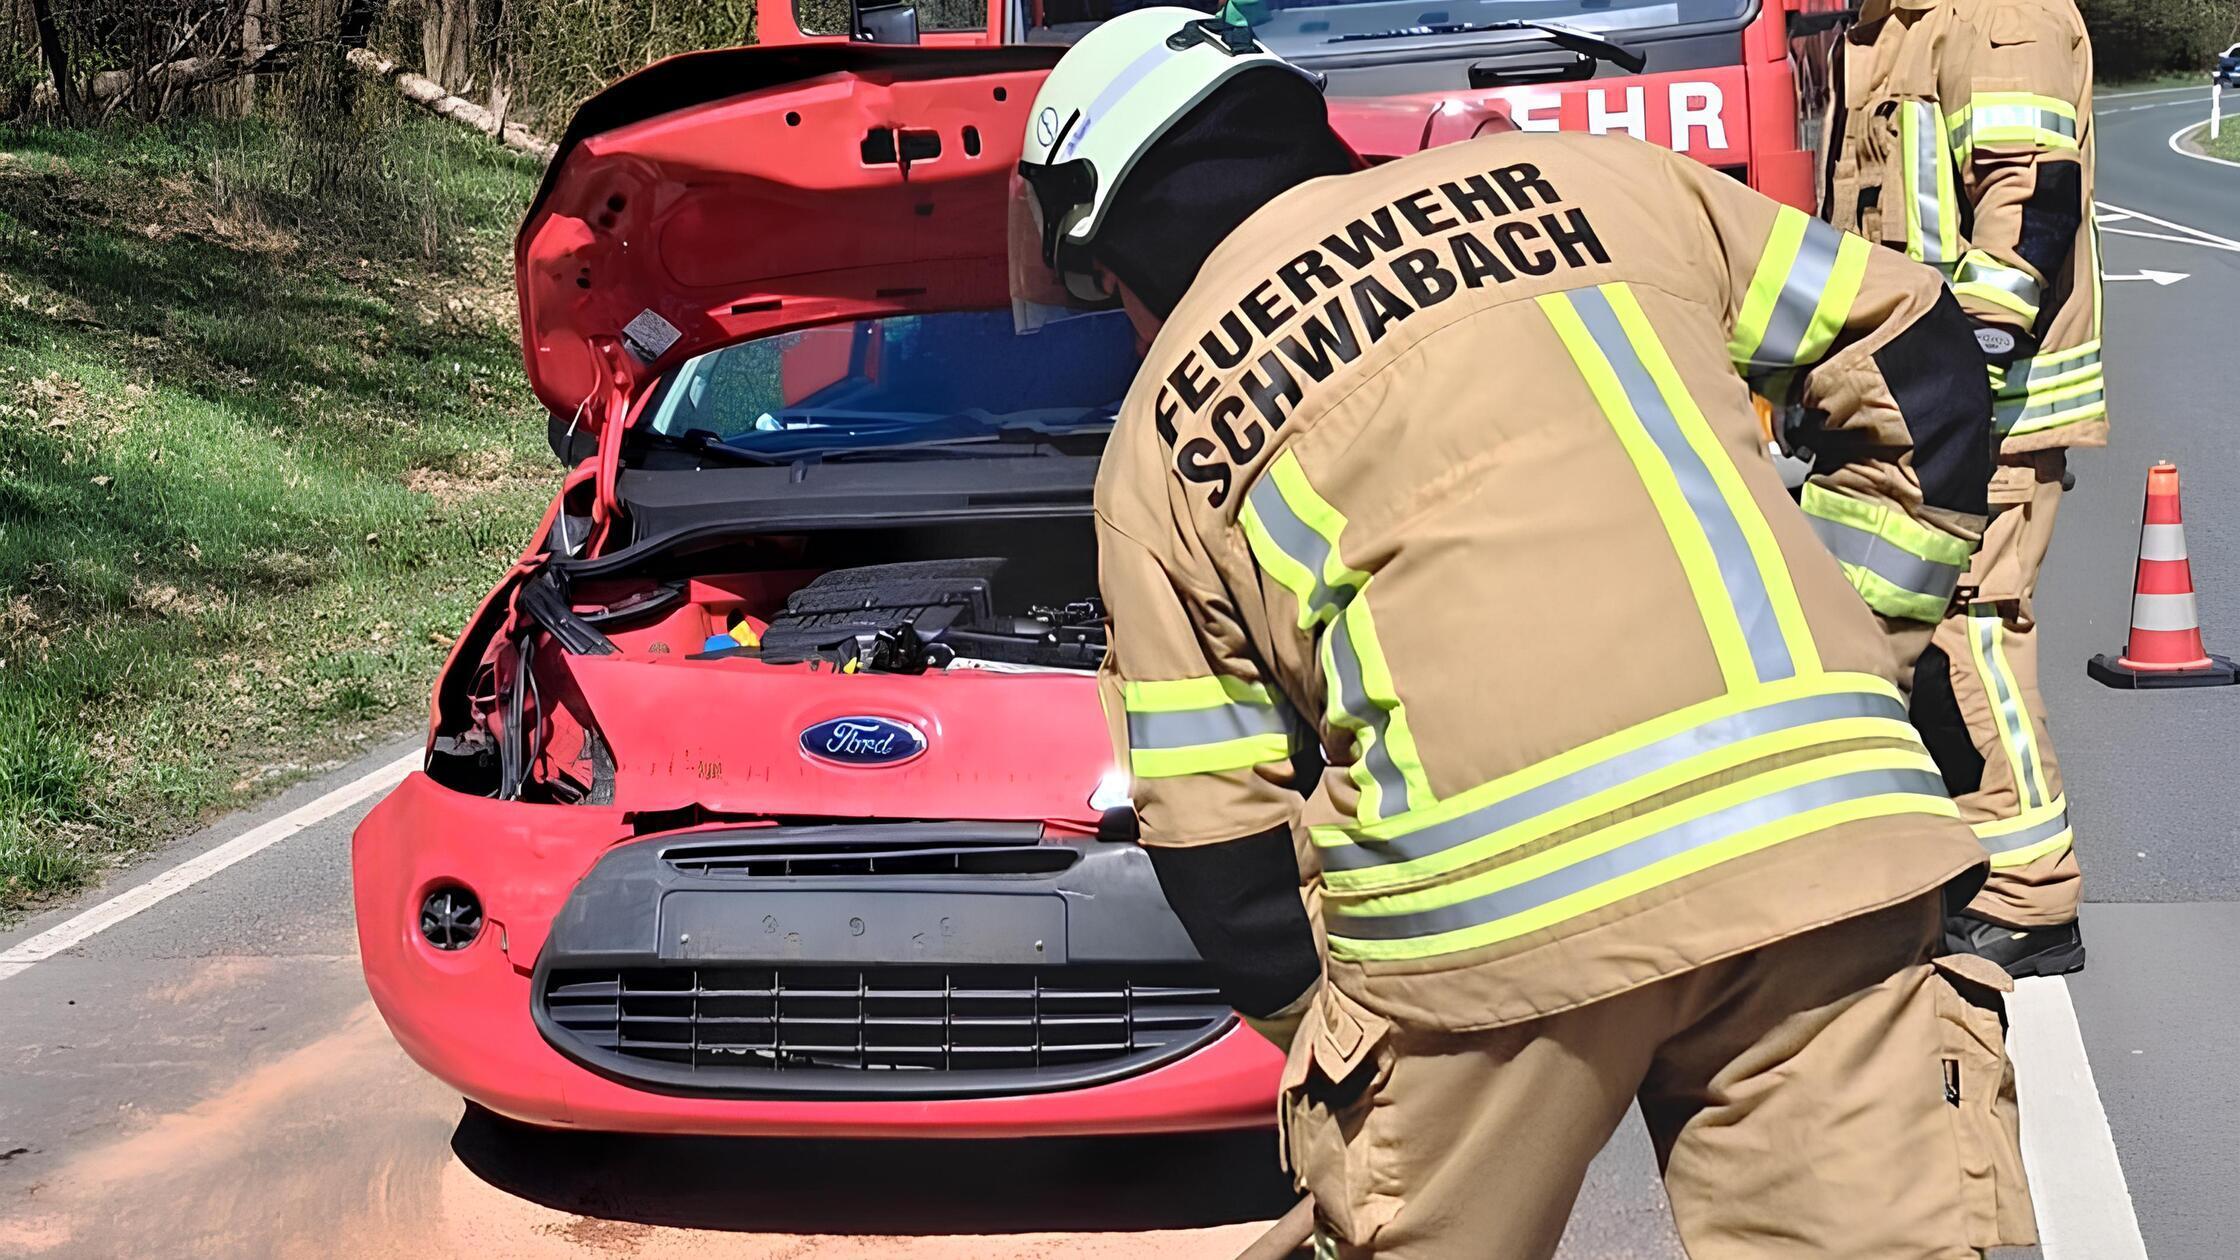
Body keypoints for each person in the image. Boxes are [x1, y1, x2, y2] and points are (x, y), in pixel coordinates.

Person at [1015, 10, 2034, 1257]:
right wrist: (1854, 645)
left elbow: (1214, 839)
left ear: (1107, 239)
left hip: (1471, 936)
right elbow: (1924, 364)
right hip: (1819, 843)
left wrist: (1329, 1041)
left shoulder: (1157, 443)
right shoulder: (1602, 178)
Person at [1819, 0, 2099, 977]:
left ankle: (2027, 895)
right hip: (1910, 404)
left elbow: (2029, 201)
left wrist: (1960, 371)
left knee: (1974, 637)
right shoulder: (1885, 29)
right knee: (1927, 637)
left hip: (1976, 411)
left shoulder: (1995, 14)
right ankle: (1960, 863)